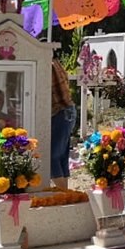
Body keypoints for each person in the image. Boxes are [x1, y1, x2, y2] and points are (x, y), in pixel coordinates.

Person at [50, 57, 77, 189]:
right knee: (61, 155)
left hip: (60, 111)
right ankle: (65, 191)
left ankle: (63, 193)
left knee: (52, 157)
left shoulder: (48, 66)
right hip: (69, 110)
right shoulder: (57, 63)